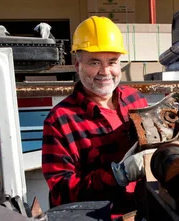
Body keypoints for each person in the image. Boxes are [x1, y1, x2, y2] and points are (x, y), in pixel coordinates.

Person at [42, 16, 149, 211]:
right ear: (77, 65)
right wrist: (118, 175)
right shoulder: (60, 120)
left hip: (143, 213)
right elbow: (60, 191)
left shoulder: (136, 100)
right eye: (94, 62)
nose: (105, 71)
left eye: (112, 62)